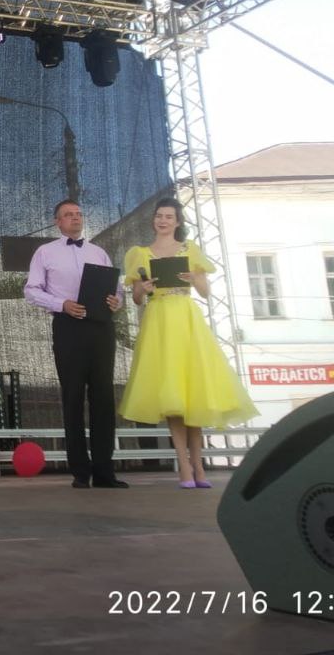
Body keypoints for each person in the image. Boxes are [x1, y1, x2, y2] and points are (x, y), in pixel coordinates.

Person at [120, 198, 258, 489]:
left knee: (193, 393)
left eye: (169, 216)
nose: (163, 220)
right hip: (159, 320)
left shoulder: (189, 249)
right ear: (154, 220)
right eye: (159, 216)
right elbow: (136, 298)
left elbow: (205, 292)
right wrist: (143, 288)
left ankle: (199, 465)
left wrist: (194, 277)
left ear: (178, 222)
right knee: (172, 397)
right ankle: (183, 465)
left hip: (186, 318)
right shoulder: (140, 254)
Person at [24, 200, 127, 489]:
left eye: (79, 214)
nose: (75, 218)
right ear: (57, 222)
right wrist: (62, 304)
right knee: (73, 397)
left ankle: (105, 471)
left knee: (103, 398)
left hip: (101, 327)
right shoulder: (45, 252)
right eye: (68, 215)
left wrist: (116, 301)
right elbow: (31, 291)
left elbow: (117, 289)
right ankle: (80, 472)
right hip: (68, 326)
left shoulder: (99, 252)